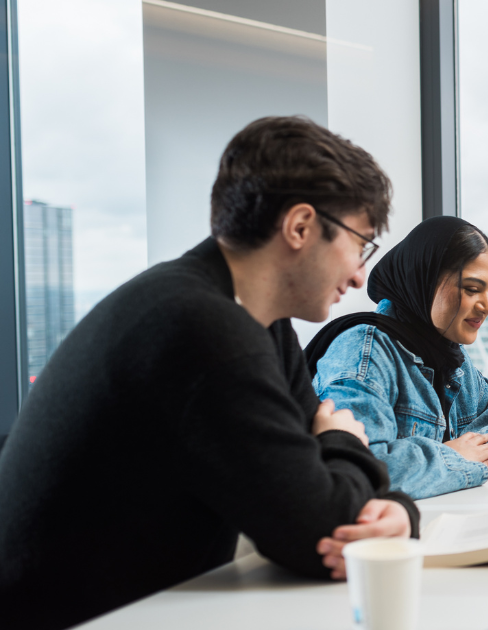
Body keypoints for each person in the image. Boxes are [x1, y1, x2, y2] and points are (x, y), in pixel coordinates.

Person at [0, 116, 419, 630]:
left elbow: (329, 495)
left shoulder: (252, 317)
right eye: (361, 243)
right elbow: (317, 531)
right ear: (301, 227)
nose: (359, 275)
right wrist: (346, 443)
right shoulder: (201, 330)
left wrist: (398, 515)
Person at [305, 217, 488, 500]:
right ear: (424, 279)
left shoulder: (448, 354)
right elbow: (360, 470)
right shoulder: (366, 353)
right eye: (472, 289)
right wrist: (452, 456)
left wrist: (473, 448)